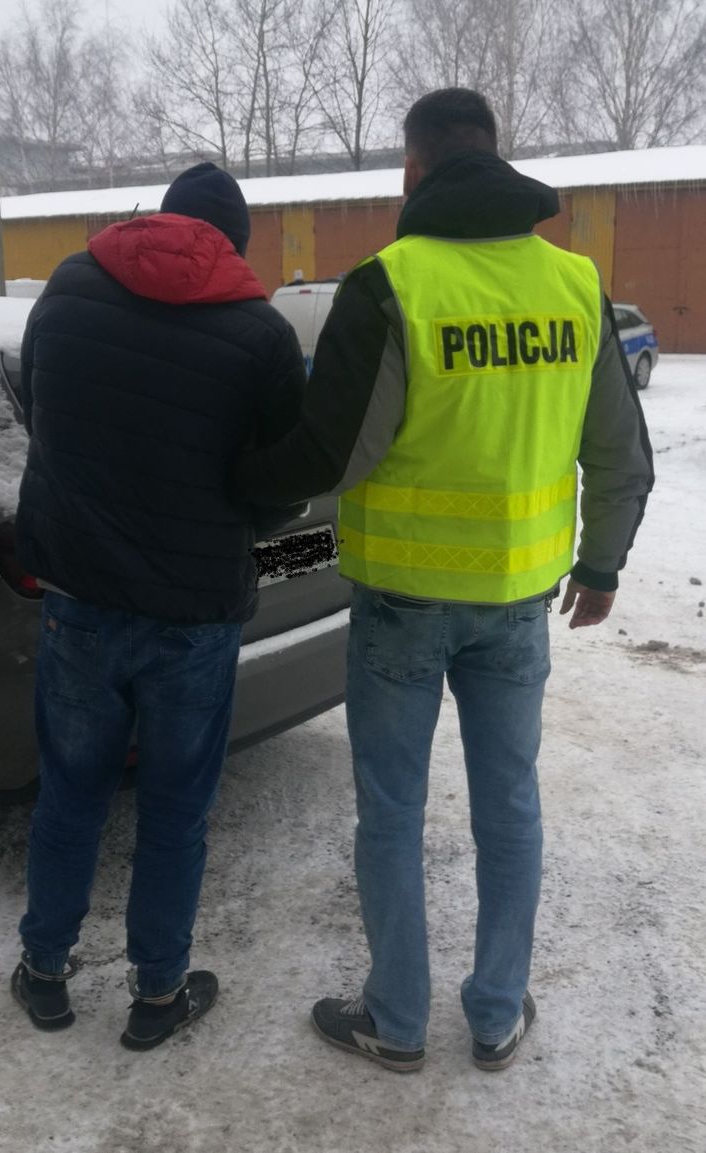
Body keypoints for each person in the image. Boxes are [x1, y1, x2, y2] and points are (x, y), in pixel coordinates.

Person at [234, 88, 654, 1072]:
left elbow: (330, 455)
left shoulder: (392, 283)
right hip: (520, 608)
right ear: (494, 156)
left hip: (402, 608)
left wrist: (233, 482)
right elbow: (622, 456)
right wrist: (600, 565)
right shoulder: (574, 284)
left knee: (391, 809)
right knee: (510, 804)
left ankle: (398, 1019)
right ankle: (499, 1011)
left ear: (413, 170)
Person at [11, 163, 306, 1050]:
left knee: (70, 794)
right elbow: (280, 486)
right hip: (194, 614)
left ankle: (46, 974)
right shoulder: (261, 335)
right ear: (234, 245)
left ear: (160, 220)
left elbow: (39, 411)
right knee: (176, 808)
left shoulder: (64, 294)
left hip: (80, 602)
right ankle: (157, 993)